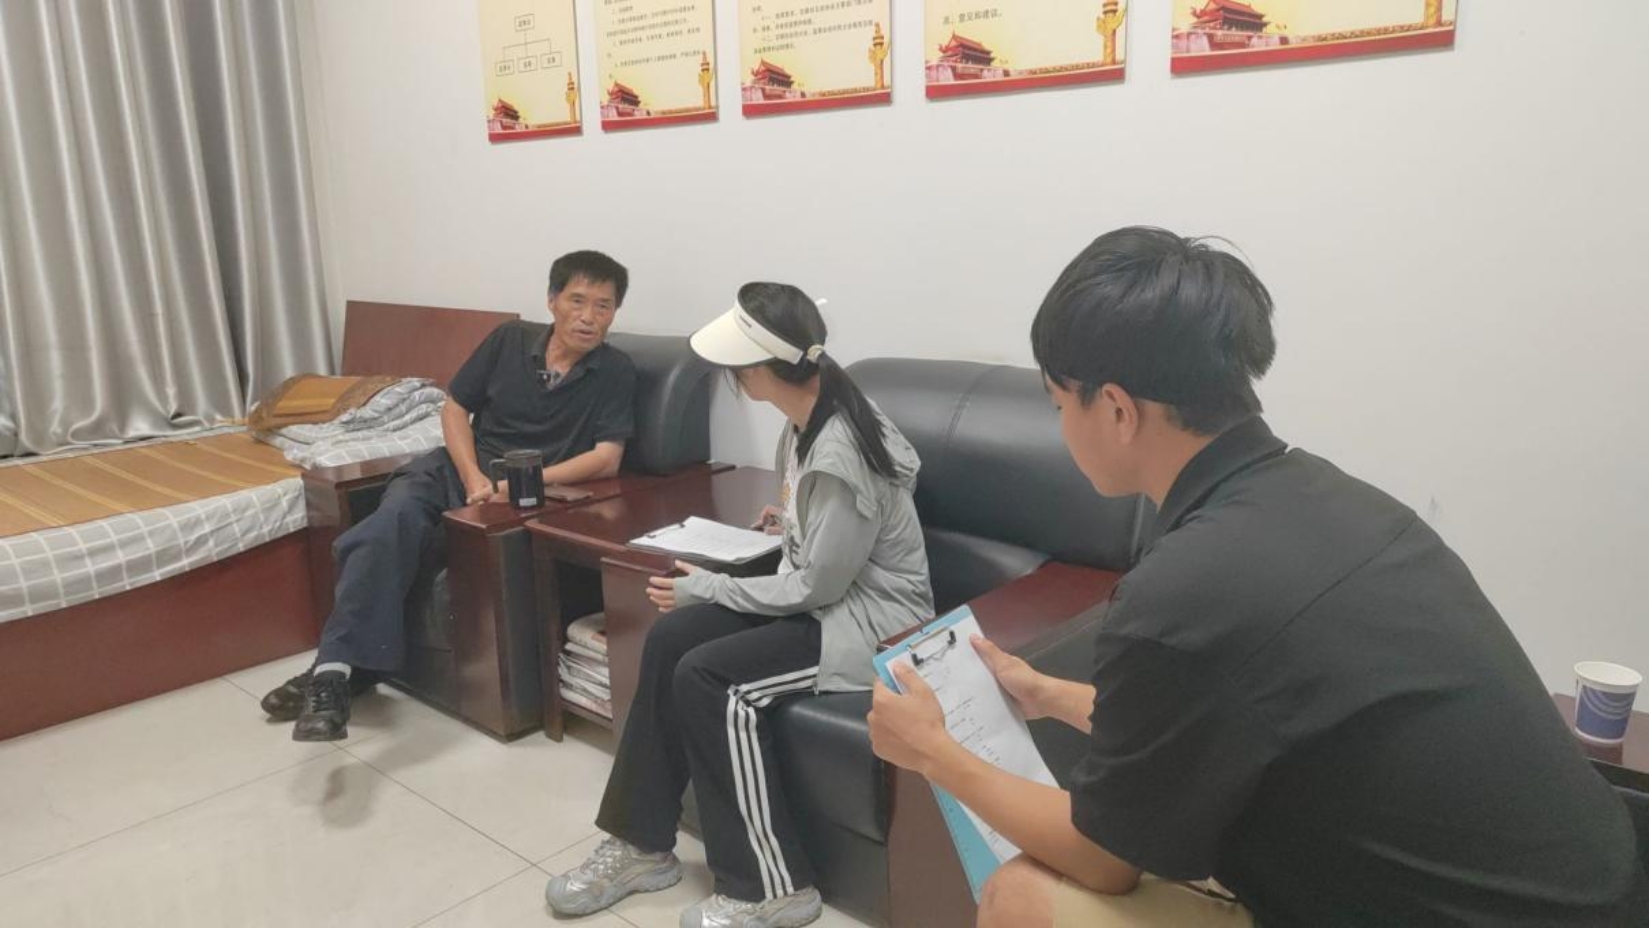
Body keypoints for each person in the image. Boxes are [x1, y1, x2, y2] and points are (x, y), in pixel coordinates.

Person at [868, 227, 1649, 927]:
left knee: (1022, 897)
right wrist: (1047, 695)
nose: (1060, 426)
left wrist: (934, 752)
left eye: (1056, 404)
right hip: (1599, 891)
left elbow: (1102, 859)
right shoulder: (1336, 501)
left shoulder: (1181, 593)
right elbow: (1234, 718)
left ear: (1115, 409)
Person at [545, 283, 935, 928]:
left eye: (737, 367)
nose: (734, 377)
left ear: (760, 370)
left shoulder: (840, 450)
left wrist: (709, 586)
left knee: (711, 678)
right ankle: (641, 845)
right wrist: (794, 523)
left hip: (869, 622)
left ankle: (772, 888)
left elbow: (819, 589)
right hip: (827, 598)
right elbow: (828, 539)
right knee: (670, 640)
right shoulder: (810, 417)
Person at [260, 250, 637, 741]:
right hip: (456, 470)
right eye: (578, 301)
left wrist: (520, 484)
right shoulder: (508, 340)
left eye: (603, 306)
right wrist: (473, 476)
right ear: (552, 300)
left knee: (412, 543)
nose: (588, 317)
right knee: (385, 527)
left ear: (614, 313)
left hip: (524, 494)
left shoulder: (615, 370)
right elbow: (456, 407)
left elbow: (607, 458)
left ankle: (333, 675)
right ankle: (336, 673)